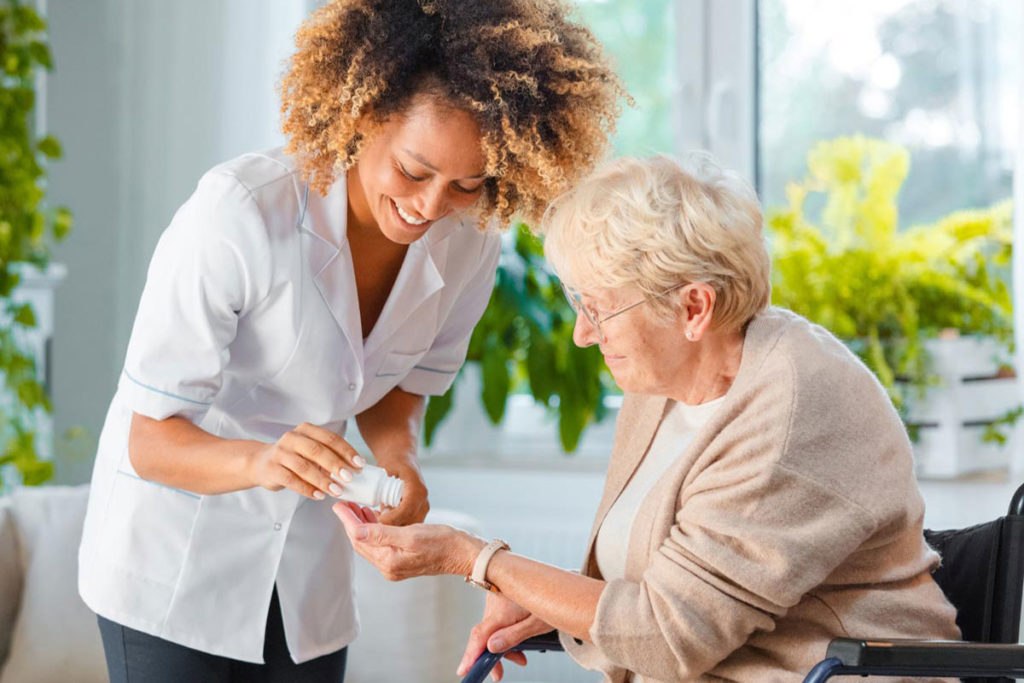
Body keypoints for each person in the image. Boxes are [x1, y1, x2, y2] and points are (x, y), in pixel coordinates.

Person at [77, 1, 624, 681]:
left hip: (305, 574)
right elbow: (148, 438)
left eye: (467, 183)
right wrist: (264, 461)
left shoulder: (470, 241)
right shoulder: (240, 213)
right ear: (367, 115)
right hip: (175, 560)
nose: (430, 207)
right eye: (414, 170)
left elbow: (398, 386)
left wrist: (402, 465)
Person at [335, 155, 962, 682]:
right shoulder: (663, 380)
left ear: (693, 306)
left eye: (599, 308)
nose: (583, 334)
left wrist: (473, 558)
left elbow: (667, 634)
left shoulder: (789, 407)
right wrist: (539, 601)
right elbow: (660, 592)